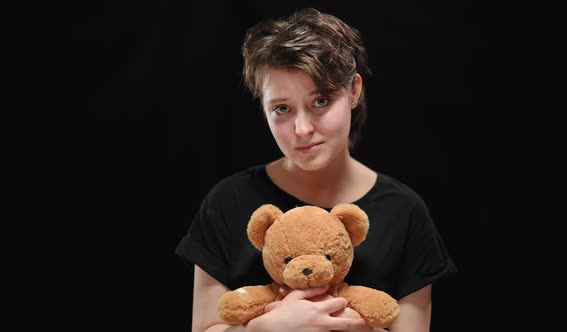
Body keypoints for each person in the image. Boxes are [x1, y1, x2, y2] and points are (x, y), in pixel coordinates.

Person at [175, 8, 456, 332]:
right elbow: (204, 327)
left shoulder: (404, 212)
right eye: (282, 109)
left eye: (321, 101)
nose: (303, 128)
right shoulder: (227, 201)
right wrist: (267, 329)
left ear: (354, 91)